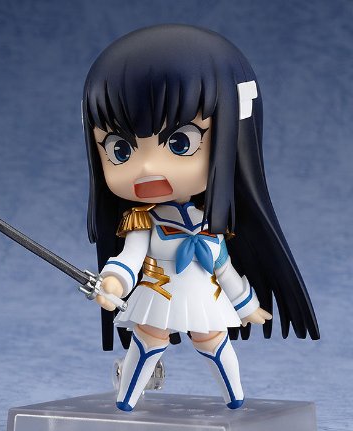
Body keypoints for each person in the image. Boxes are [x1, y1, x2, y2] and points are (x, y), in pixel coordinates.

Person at [82, 24, 319, 412]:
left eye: (180, 142)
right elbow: (129, 259)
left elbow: (223, 268)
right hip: (158, 294)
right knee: (150, 340)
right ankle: (127, 399)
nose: (147, 169)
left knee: (212, 341)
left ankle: (234, 397)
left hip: (201, 296)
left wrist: (246, 305)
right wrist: (113, 282)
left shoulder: (209, 223)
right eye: (120, 149)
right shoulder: (144, 222)